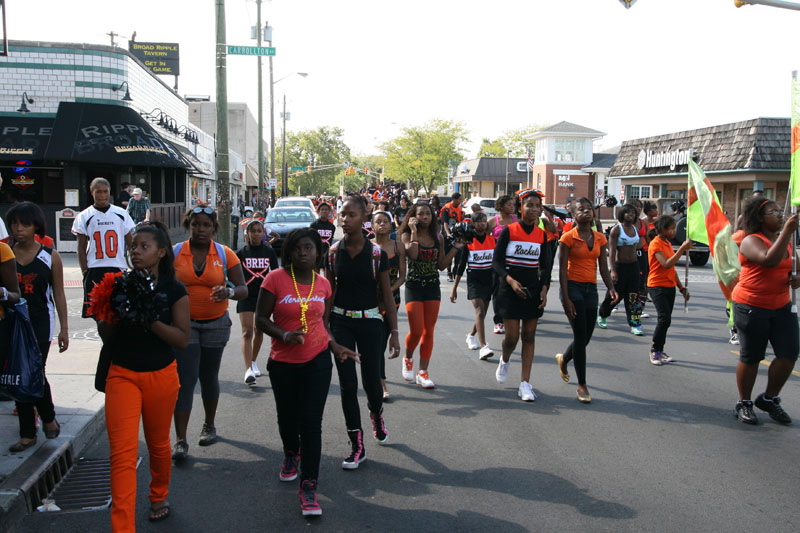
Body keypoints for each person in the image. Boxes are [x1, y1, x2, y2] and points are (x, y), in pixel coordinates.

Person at [93, 221, 190, 529]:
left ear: (161, 252)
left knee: (159, 444)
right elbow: (107, 335)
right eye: (133, 246)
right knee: (122, 454)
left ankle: (158, 494)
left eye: (143, 247)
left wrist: (150, 320)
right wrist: (108, 311)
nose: (136, 251)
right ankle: (123, 526)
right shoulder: (117, 283)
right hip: (122, 374)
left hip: (161, 376)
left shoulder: (174, 289)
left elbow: (182, 339)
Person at [256, 228, 358, 516]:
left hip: (317, 362)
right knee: (287, 418)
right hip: (283, 362)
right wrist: (284, 334)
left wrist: (335, 346)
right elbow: (261, 319)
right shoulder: (275, 279)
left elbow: (323, 324)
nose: (303, 252)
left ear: (318, 252)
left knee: (311, 424)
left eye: (309, 248)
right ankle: (291, 453)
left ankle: (309, 485)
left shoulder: (324, 284)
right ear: (289, 252)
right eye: (298, 248)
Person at [327, 197, 400, 468]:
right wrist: (324, 329)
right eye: (342, 215)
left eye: (351, 215)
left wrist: (393, 331)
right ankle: (357, 445)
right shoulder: (333, 253)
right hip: (340, 323)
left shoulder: (377, 255)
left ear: (363, 218)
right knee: (347, 385)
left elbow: (387, 295)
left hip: (371, 321)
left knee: (371, 382)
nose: (345, 219)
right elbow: (328, 294)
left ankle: (376, 413)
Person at [171, 206, 247, 461]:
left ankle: (209, 425)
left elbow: (243, 288)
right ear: (188, 226)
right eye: (195, 224)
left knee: (208, 376)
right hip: (184, 325)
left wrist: (229, 292)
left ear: (214, 228)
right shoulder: (175, 252)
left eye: (205, 225)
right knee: (185, 379)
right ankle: (181, 440)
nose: (200, 229)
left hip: (216, 324)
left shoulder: (225, 254)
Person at [6, 203, 68, 452]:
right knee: (21, 375)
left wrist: (64, 329)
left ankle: (47, 418)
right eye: (14, 224)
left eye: (25, 224)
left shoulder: (50, 256)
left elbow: (60, 295)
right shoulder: (5, 253)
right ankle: (30, 432)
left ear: (36, 227)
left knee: (34, 371)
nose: (19, 229)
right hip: (11, 324)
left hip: (41, 324)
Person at [732, 198, 799, 425]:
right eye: (773, 212)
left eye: (780, 211)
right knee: (752, 357)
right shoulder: (751, 240)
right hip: (751, 305)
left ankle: (769, 399)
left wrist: (796, 278)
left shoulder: (784, 242)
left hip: (781, 305)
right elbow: (769, 260)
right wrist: (787, 233)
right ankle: (745, 402)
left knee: (789, 354)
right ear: (759, 218)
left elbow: (793, 265)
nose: (780, 215)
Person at [492, 189, 552, 402]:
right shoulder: (509, 231)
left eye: (538, 206)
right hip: (509, 289)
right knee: (512, 338)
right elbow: (496, 262)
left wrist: (544, 289)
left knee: (529, 336)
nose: (534, 209)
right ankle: (505, 359)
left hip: (532, 290)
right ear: (520, 207)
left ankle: (525, 383)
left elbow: (546, 267)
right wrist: (509, 280)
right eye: (530, 205)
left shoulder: (541, 234)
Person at [555, 198, 616, 403]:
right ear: (573, 215)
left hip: (591, 290)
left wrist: (611, 288)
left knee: (586, 338)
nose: (587, 211)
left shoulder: (599, 238)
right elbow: (562, 270)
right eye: (581, 210)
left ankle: (564, 358)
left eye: (589, 209)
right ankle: (582, 385)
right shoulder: (567, 238)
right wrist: (566, 299)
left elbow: (603, 267)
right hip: (572, 288)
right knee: (580, 337)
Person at [399, 202, 463, 388]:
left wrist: (456, 248)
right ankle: (408, 358)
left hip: (432, 287)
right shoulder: (406, 234)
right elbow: (413, 254)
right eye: (421, 214)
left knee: (429, 331)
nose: (425, 217)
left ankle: (423, 372)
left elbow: (441, 265)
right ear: (414, 216)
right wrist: (413, 231)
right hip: (414, 286)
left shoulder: (438, 237)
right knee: (416, 330)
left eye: (428, 214)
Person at [72, 178, 135, 319]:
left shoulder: (121, 214)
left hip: (117, 267)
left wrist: (135, 267)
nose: (102, 195)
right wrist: (84, 272)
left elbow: (131, 244)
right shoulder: (84, 216)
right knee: (97, 314)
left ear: (110, 192)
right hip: (95, 268)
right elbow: (81, 247)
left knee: (119, 312)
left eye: (105, 191)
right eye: (98, 192)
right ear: (91, 192)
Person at [236, 219, 278, 385]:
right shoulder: (241, 253)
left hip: (263, 297)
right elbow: (232, 273)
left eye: (259, 231)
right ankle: (248, 371)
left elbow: (275, 274)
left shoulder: (269, 252)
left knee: (258, 330)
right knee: (247, 331)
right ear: (248, 233)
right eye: (253, 231)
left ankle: (253, 361)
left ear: (263, 233)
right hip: (246, 297)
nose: (256, 234)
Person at [647, 215, 692, 365]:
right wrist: (682, 249)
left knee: (666, 320)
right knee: (664, 318)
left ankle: (660, 350)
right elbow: (666, 264)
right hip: (656, 285)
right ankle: (654, 350)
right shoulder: (656, 244)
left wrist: (681, 287)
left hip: (669, 286)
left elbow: (671, 269)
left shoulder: (666, 243)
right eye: (671, 228)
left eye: (674, 228)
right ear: (663, 230)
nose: (674, 231)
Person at [450, 211, 495, 360]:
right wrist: (454, 288)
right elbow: (461, 266)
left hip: (489, 280)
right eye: (478, 221)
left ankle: (471, 335)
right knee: (480, 312)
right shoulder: (469, 242)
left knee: (481, 314)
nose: (482, 224)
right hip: (474, 280)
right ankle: (484, 346)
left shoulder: (492, 240)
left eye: (484, 221)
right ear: (473, 224)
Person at [372, 209, 406, 399]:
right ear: (372, 225)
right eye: (379, 221)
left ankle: (378, 377)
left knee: (384, 339)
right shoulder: (368, 246)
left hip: (393, 300)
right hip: (372, 302)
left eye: (385, 221)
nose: (382, 224)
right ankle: (381, 382)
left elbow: (402, 276)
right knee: (376, 343)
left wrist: (389, 291)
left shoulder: (398, 246)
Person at [597, 204, 644, 335]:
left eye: (633, 213)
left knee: (634, 297)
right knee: (614, 296)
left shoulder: (635, 229)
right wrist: (613, 270)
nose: (631, 215)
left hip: (634, 266)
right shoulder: (617, 230)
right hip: (620, 266)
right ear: (622, 214)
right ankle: (602, 315)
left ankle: (635, 324)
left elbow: (639, 247)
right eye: (628, 212)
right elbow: (611, 252)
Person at [487, 195, 517, 335]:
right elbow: (484, 240)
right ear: (501, 206)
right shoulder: (493, 221)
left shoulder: (517, 221)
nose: (512, 207)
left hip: (513, 260)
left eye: (513, 205)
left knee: (512, 289)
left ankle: (512, 317)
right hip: (497, 261)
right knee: (498, 291)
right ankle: (498, 321)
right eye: (509, 204)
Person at [440, 193, 464, 282]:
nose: (461, 201)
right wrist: (448, 234)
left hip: (456, 232)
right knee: (448, 253)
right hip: (447, 233)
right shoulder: (446, 208)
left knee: (458, 252)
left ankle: (456, 268)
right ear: (454, 199)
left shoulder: (459, 208)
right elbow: (445, 223)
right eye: (459, 199)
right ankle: (449, 272)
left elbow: (459, 221)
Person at [309, 202, 336, 267]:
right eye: (322, 209)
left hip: (327, 254)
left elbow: (331, 240)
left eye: (326, 210)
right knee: (315, 274)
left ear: (329, 212)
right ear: (318, 211)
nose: (324, 211)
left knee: (327, 273)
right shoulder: (313, 225)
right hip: (316, 254)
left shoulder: (332, 227)